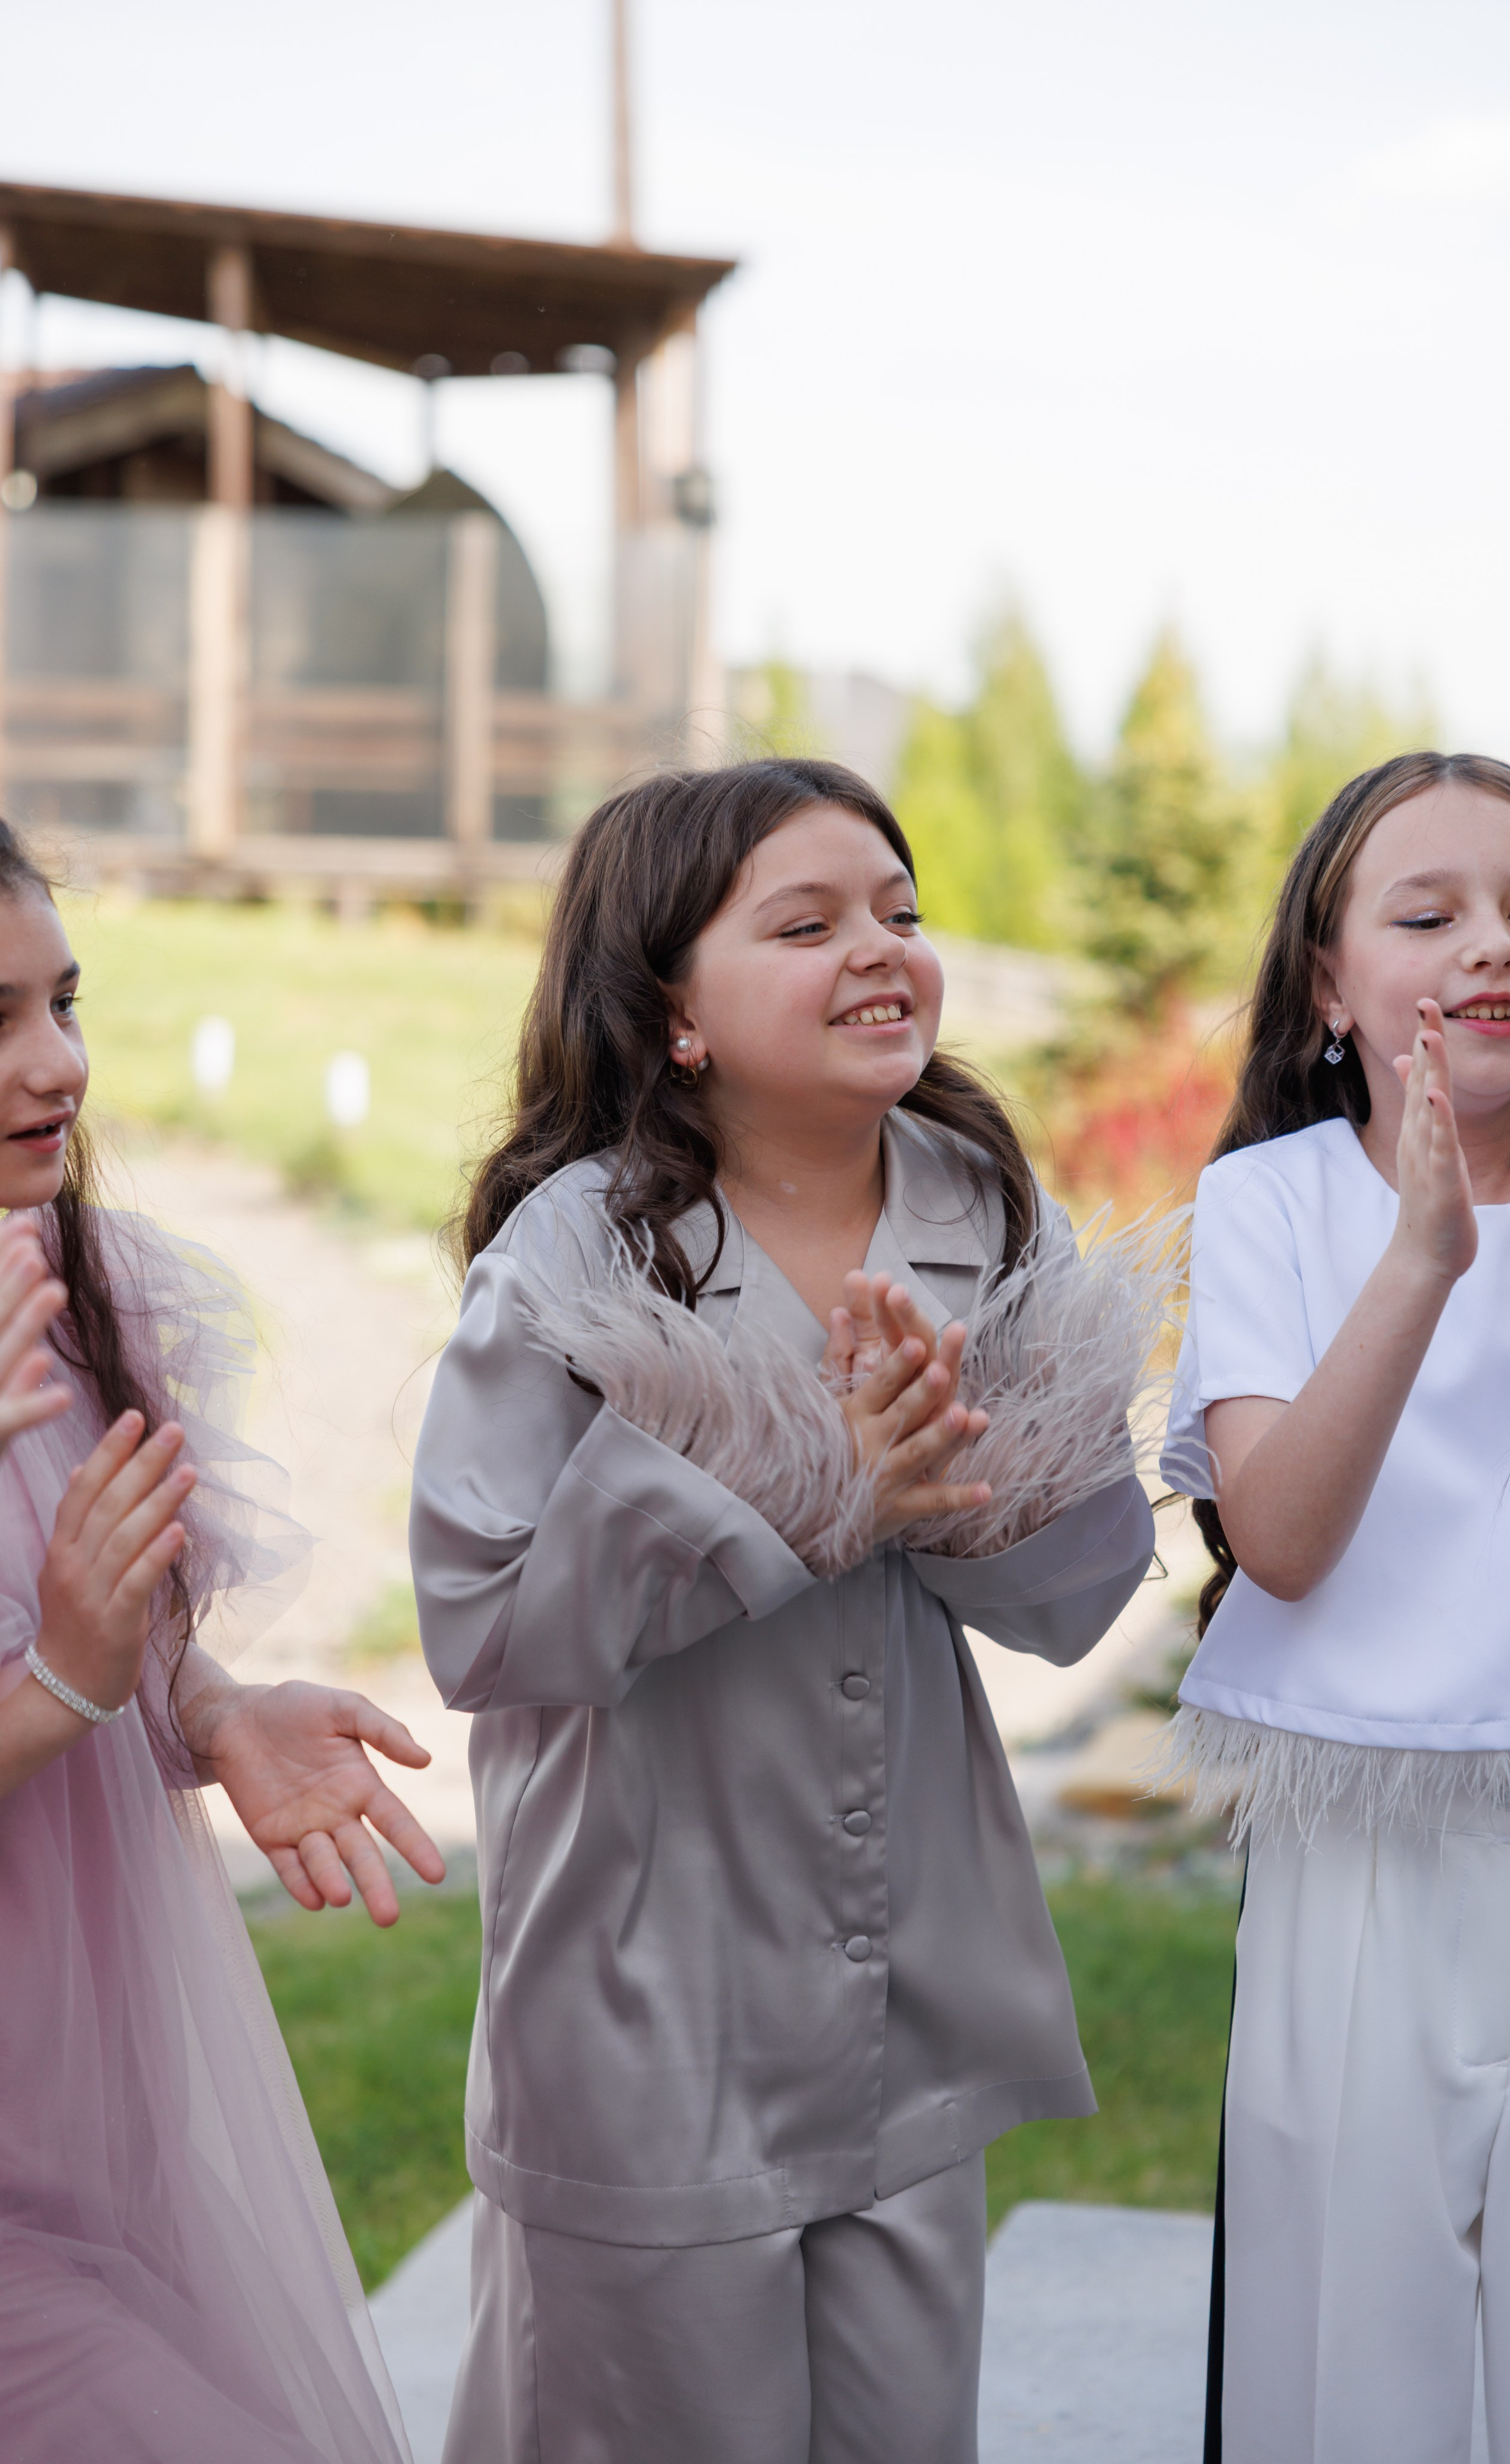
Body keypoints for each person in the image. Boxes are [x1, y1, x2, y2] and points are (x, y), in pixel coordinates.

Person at [410, 757, 1176, 2464]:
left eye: (901, 909)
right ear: (672, 1006)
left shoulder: (982, 1205)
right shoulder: (579, 1256)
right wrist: (808, 1492)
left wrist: (958, 1480)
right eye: (809, 920)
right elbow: (481, 1619)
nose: (881, 946)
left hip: (904, 1982)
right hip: (646, 1991)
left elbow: (1070, 1595)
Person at [1161, 750, 1510, 2463]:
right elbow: (1280, 1536)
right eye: (1425, 911)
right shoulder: (1274, 1202)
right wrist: (1422, 1256)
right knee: (1352, 2336)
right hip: (1360, 1840)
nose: (1489, 945)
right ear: (1328, 981)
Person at [0, 817, 448, 2462]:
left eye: (65, 999)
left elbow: (105, 1625)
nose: (59, 1064)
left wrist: (207, 1704)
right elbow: (50, 1652)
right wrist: (58, 1688)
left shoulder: (88, 1297)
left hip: (78, 2130)